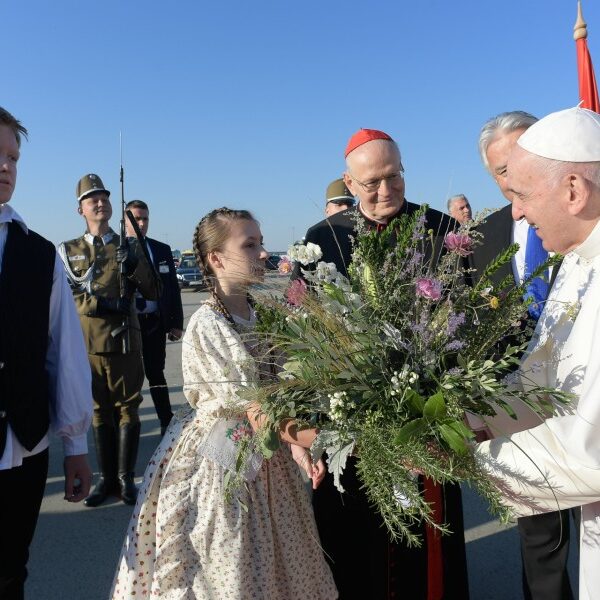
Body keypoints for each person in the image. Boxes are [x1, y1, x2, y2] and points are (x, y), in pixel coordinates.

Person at [111, 207, 337, 599]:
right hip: (224, 466)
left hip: (269, 459)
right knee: (232, 571)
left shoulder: (263, 314)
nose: (263, 253)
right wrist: (329, 437)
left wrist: (299, 448)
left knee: (282, 569)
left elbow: (281, 390)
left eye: (261, 242)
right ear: (216, 258)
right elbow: (256, 408)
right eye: (249, 244)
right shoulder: (208, 323)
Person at [297, 128, 469, 599]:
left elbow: (465, 321)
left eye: (394, 176)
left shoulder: (441, 231)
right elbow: (307, 337)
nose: (386, 190)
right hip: (350, 422)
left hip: (423, 414)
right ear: (349, 185)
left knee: (423, 542)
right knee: (355, 544)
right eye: (372, 183)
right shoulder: (321, 240)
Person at [474, 105, 600, 600]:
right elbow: (540, 382)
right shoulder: (573, 262)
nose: (517, 212)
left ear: (573, 190)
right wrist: (469, 417)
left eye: (523, 194)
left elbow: (589, 452)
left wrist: (458, 456)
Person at [0, 107, 93, 598]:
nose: (6, 166)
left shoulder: (39, 253)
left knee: (12, 571)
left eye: (13, 156)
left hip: (25, 444)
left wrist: (75, 446)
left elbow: (65, 353)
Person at [58, 175, 161, 507]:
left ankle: (126, 479)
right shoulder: (68, 250)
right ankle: (105, 480)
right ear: (80, 209)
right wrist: (101, 304)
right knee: (99, 412)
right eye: (92, 199)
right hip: (87, 344)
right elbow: (66, 294)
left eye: (103, 197)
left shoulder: (129, 245)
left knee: (128, 409)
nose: (99, 202)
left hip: (124, 342)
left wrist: (135, 268)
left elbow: (152, 290)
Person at [125, 199, 184, 435]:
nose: (141, 223)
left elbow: (172, 288)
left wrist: (176, 323)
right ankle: (127, 425)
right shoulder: (117, 250)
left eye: (144, 218)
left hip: (153, 324)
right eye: (135, 218)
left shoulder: (161, 250)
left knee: (156, 372)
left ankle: (165, 420)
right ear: (125, 220)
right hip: (128, 325)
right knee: (129, 377)